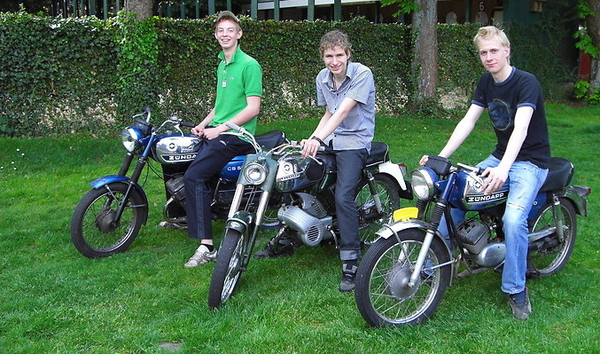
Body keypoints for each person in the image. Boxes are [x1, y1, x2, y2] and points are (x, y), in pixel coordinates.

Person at [420, 26, 550, 320]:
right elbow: (468, 121)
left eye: (494, 51)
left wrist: (503, 168)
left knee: (514, 219)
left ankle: (516, 289)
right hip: (500, 157)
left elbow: (521, 127)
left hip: (530, 163)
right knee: (453, 194)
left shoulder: (526, 82)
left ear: (506, 50)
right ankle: (431, 267)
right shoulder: (485, 82)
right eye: (483, 52)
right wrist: (442, 156)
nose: (489, 57)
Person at [257, 30, 375, 293]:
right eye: (329, 56)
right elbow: (328, 113)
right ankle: (288, 238)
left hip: (355, 142)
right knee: (292, 176)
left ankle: (351, 260)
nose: (334, 61)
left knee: (344, 196)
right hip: (330, 140)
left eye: (339, 55)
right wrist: (312, 138)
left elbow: (344, 110)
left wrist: (318, 140)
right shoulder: (323, 78)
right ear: (322, 57)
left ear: (348, 54)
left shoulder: (362, 74)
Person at [183, 11, 263, 268]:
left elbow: (252, 109)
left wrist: (220, 130)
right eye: (220, 31)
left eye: (230, 30)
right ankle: (185, 215)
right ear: (216, 36)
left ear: (239, 34)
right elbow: (220, 106)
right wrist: (204, 124)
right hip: (219, 130)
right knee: (179, 160)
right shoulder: (222, 64)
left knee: (194, 176)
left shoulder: (249, 65)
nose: (225, 34)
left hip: (238, 136)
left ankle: (206, 245)